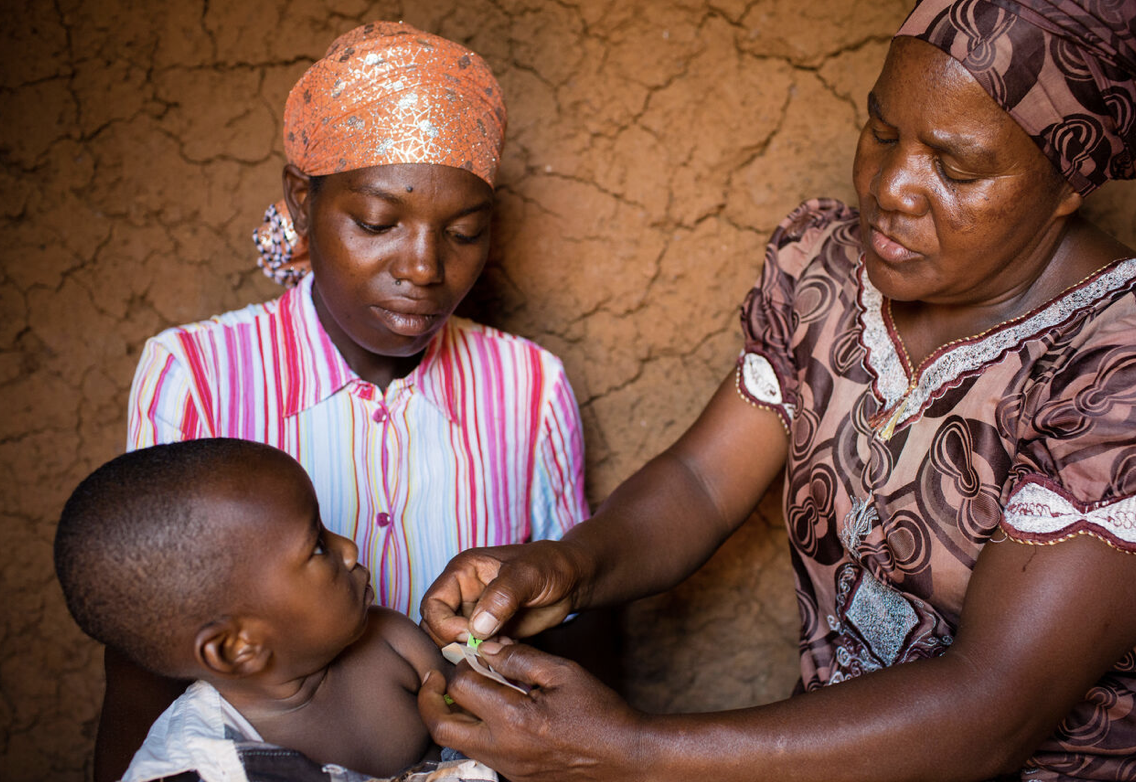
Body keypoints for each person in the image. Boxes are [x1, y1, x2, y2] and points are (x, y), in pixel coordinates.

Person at [418, 1, 1136, 779]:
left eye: (955, 168)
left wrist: (632, 751)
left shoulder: (1112, 366)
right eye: (881, 131)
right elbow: (700, 484)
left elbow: (991, 707)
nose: (891, 186)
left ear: (1068, 184)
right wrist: (567, 567)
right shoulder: (827, 272)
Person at [98, 21, 589, 782]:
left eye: (464, 232)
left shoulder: (530, 385)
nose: (424, 268)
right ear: (302, 201)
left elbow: (576, 626)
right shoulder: (193, 374)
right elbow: (145, 656)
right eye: (377, 224)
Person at [56, 438, 497, 782]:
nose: (349, 549)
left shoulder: (389, 640)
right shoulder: (201, 765)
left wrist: (481, 642)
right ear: (238, 647)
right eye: (318, 546)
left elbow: (485, 703)